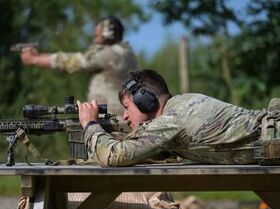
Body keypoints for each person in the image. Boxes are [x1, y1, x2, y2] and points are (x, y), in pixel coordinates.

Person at [77, 69, 280, 167]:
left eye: (127, 107)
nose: (125, 115)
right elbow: (156, 153)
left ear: (145, 100)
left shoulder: (172, 120)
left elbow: (113, 156)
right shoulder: (181, 106)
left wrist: (90, 124)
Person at [20, 16, 138, 114]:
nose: (94, 40)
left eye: (97, 36)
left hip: (112, 118)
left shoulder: (109, 54)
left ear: (107, 34)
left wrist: (34, 59)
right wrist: (38, 56)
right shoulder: (126, 52)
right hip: (121, 114)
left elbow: (74, 62)